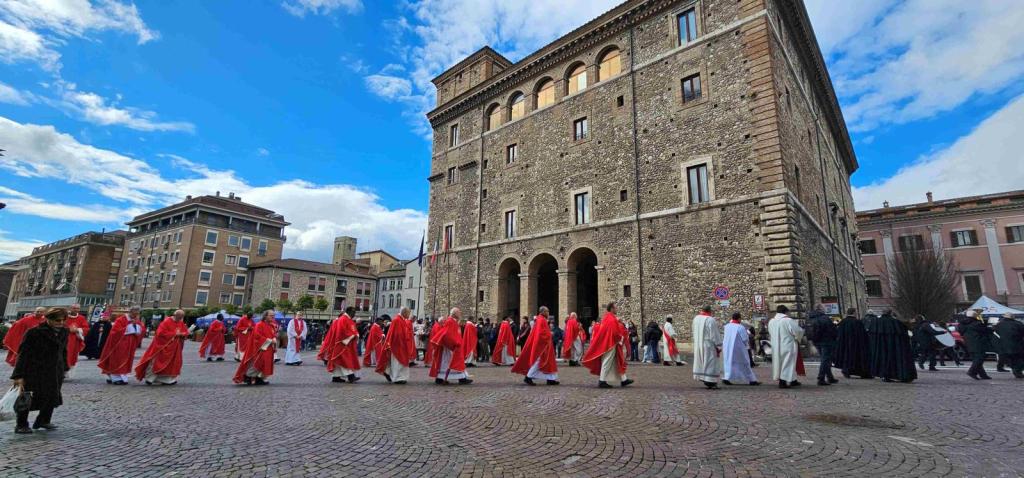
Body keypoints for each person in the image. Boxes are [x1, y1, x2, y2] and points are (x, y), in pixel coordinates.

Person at [10, 307, 68, 434]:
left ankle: (43, 420)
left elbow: (63, 351)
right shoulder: (34, 332)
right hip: (34, 370)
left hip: (55, 370)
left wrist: (64, 368)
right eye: (58, 320)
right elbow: (23, 354)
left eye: (63, 320)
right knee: (28, 397)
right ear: (48, 319)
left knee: (52, 396)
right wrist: (18, 375)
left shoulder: (64, 331)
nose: (61, 323)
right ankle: (21, 424)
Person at [581, 302, 632, 388]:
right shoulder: (611, 319)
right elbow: (614, 332)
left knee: (617, 361)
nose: (617, 309)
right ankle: (602, 380)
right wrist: (621, 338)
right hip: (610, 344)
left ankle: (624, 379)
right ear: (612, 309)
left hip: (609, 343)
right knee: (607, 361)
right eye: (616, 308)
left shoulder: (607, 317)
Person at [134, 310, 189, 385]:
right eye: (179, 317)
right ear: (175, 315)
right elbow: (160, 333)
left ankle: (167, 379)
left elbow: (185, 332)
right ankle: (150, 378)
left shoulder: (181, 323)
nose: (180, 319)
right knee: (156, 362)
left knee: (172, 364)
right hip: (163, 346)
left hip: (175, 348)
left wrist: (183, 334)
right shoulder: (166, 322)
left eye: (181, 317)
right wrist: (175, 334)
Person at [511, 307, 559, 386]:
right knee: (538, 362)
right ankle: (528, 377)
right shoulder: (541, 320)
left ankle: (551, 379)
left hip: (545, 344)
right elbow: (541, 333)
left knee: (549, 362)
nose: (548, 313)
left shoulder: (541, 319)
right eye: (547, 311)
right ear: (543, 312)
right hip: (542, 345)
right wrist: (549, 334)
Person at [98, 306, 143, 385]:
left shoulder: (137, 321)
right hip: (119, 344)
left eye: (137, 314)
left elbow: (141, 331)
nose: (135, 316)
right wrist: (130, 326)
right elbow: (114, 332)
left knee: (126, 360)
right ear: (130, 312)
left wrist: (136, 326)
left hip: (130, 345)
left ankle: (122, 377)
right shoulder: (121, 320)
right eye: (134, 314)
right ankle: (115, 377)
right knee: (117, 360)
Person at [868, 310, 917, 383]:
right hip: (895, 347)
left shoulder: (876, 322)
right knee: (895, 360)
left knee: (884, 360)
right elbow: (904, 332)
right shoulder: (895, 322)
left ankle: (885, 375)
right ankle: (900, 375)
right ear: (891, 314)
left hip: (882, 347)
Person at [232, 310, 278, 385]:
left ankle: (259, 378)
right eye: (271, 315)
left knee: (266, 364)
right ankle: (248, 376)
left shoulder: (271, 325)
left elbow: (273, 334)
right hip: (261, 348)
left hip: (269, 347)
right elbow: (257, 337)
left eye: (273, 315)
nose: (273, 317)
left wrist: (274, 339)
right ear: (265, 316)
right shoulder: (259, 325)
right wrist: (269, 340)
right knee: (258, 363)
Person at [429, 308, 472, 385]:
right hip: (450, 347)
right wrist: (454, 343)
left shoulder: (452, 321)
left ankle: (440, 378)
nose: (460, 314)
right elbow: (447, 334)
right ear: (454, 314)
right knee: (452, 362)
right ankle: (461, 379)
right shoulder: (450, 321)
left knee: (446, 363)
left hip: (450, 346)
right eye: (459, 313)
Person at [377, 307, 415, 384]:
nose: (409, 315)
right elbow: (397, 334)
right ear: (404, 313)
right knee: (397, 362)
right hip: (397, 345)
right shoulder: (397, 320)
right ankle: (398, 378)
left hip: (402, 344)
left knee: (400, 362)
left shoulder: (402, 320)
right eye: (408, 313)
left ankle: (396, 376)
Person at [323, 307, 361, 383]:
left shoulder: (348, 319)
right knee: (345, 360)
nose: (354, 314)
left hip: (347, 343)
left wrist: (355, 334)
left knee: (339, 361)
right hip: (342, 343)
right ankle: (351, 376)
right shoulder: (343, 319)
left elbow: (352, 329)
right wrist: (353, 335)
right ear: (349, 311)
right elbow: (341, 331)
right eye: (354, 312)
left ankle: (336, 377)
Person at [768, 305, 803, 389]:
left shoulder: (772, 321)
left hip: (776, 345)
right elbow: (798, 331)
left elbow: (770, 332)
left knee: (780, 363)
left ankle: (793, 380)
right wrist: (798, 337)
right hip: (788, 344)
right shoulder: (788, 320)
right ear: (786, 312)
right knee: (788, 363)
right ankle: (783, 381)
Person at [722, 312, 759, 386]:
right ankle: (752, 380)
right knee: (745, 362)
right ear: (739, 318)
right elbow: (745, 339)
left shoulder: (727, 326)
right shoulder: (740, 327)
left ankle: (726, 377)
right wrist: (747, 346)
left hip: (728, 348)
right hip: (739, 349)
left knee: (728, 362)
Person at [805, 304, 838, 386]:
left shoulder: (810, 318)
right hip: (826, 341)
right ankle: (821, 378)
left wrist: (811, 341)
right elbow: (832, 330)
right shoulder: (825, 318)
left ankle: (830, 377)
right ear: (821, 309)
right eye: (824, 308)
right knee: (825, 360)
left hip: (816, 341)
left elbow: (807, 331)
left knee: (824, 359)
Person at [834, 308, 872, 379]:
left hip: (845, 344)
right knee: (857, 358)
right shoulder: (857, 322)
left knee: (846, 357)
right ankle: (860, 372)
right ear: (854, 313)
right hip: (856, 344)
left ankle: (846, 370)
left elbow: (838, 333)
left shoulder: (843, 322)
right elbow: (863, 335)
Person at [691, 306, 722, 390]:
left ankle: (703, 377)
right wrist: (719, 345)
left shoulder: (696, 318)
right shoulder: (710, 320)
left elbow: (693, 330)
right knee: (710, 362)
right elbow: (714, 334)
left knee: (701, 361)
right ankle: (710, 381)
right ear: (709, 311)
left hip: (698, 344)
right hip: (708, 345)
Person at [959, 310, 992, 380]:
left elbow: (961, 332)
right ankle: (972, 372)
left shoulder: (962, 324)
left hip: (968, 343)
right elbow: (985, 330)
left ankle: (983, 375)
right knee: (980, 358)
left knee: (976, 359)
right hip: (978, 343)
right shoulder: (977, 323)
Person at [993, 313, 1023, 378]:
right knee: (1019, 359)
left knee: (1009, 358)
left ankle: (1014, 370)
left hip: (1003, 344)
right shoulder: (1018, 323)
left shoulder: (999, 324)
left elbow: (995, 332)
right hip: (1016, 344)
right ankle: (1017, 371)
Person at [63, 304, 89, 378]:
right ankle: (60, 371)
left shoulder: (81, 318)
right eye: (74, 308)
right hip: (64, 339)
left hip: (75, 341)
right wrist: (68, 329)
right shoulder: (64, 316)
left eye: (77, 308)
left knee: (71, 356)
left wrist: (78, 330)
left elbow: (86, 328)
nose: (76, 310)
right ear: (70, 308)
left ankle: (66, 372)